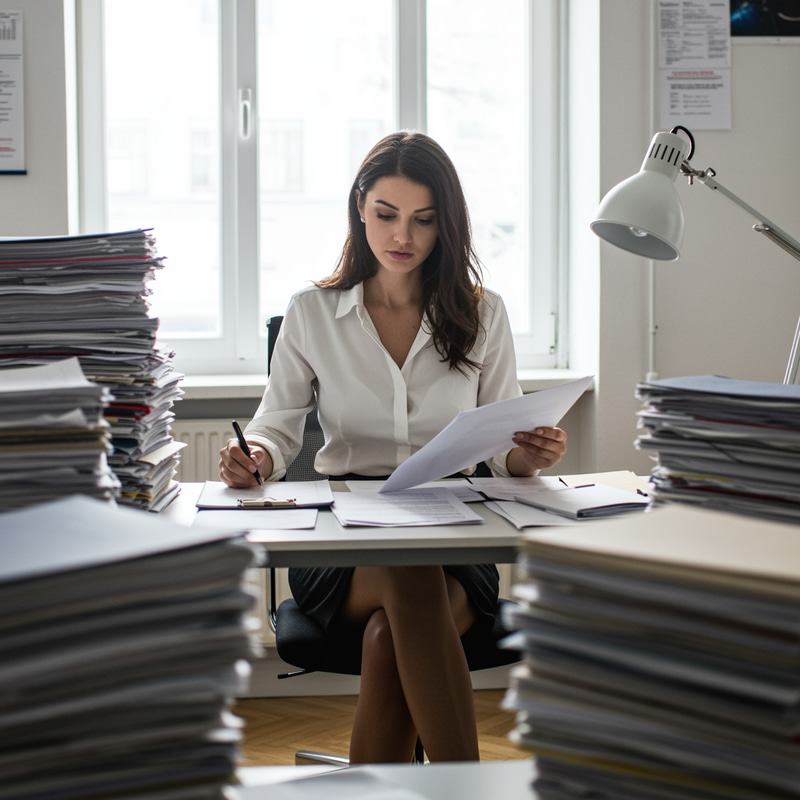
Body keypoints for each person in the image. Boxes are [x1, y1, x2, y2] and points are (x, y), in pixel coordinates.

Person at [219, 131, 567, 764]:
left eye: (423, 220)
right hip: (345, 551)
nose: (401, 235)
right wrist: (259, 458)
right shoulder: (313, 313)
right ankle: (465, 784)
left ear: (445, 225)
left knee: (389, 636)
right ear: (360, 206)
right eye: (386, 214)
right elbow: (275, 424)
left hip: (455, 544)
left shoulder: (483, 315)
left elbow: (502, 449)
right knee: (407, 573)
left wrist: (530, 454)